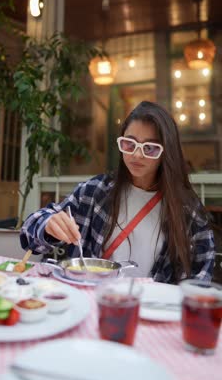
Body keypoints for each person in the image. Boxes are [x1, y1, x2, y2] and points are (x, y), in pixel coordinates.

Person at [20, 101, 215, 284]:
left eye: (150, 148)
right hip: (91, 301)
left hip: (150, 311)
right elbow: (29, 235)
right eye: (129, 144)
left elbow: (201, 278)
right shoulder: (95, 191)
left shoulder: (187, 209)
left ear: (166, 152)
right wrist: (47, 225)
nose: (137, 154)